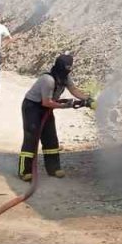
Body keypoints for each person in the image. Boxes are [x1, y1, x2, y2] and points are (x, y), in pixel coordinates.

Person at [19, 53, 91, 181]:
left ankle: (54, 168)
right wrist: (67, 105)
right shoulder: (48, 80)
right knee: (31, 137)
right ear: (60, 67)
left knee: (50, 137)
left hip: (47, 107)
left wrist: (88, 99)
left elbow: (74, 90)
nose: (67, 72)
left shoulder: (65, 78)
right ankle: (24, 171)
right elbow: (46, 102)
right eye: (65, 69)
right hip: (32, 107)